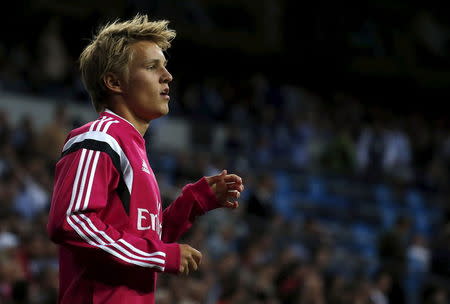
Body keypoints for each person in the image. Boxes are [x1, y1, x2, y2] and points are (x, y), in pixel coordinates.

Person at [46, 14, 244, 304]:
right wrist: (162, 255)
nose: (168, 76)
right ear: (114, 82)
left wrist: (192, 203)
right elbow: (72, 221)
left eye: (165, 66)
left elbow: (141, 241)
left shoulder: (133, 148)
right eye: (152, 67)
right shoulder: (99, 137)